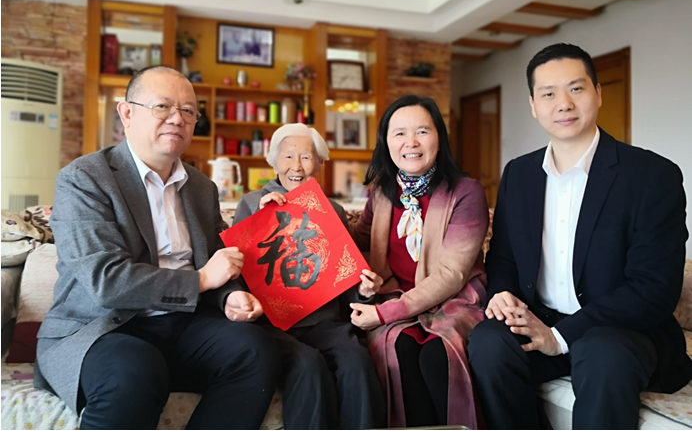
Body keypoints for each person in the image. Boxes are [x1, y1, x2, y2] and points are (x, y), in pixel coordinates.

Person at [34, 66, 281, 429]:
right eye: (162, 106)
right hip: (103, 328)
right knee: (133, 369)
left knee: (255, 350)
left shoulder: (202, 188)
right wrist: (201, 280)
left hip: (185, 323)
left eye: (188, 111)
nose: (177, 119)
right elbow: (107, 281)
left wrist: (229, 295)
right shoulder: (85, 179)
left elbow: (217, 260)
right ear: (127, 113)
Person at [468, 43, 692, 429]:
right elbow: (503, 257)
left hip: (622, 330)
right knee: (488, 343)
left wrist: (560, 336)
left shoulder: (652, 176)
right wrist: (501, 294)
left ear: (598, 93)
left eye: (576, 88)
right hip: (540, 318)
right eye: (548, 94)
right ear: (533, 105)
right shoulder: (519, 174)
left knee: (603, 355)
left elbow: (653, 289)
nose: (564, 104)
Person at [232, 123, 387, 430]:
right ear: (274, 163)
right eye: (288, 156)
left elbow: (346, 278)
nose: (297, 167)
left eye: (306, 157)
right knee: (308, 363)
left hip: (323, 322)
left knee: (356, 361)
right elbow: (236, 269)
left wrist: (365, 290)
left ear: (319, 164)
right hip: (273, 324)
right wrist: (262, 220)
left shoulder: (333, 210)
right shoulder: (251, 203)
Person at [349, 95, 490, 428]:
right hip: (396, 298)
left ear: (439, 138)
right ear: (386, 143)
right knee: (398, 349)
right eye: (399, 133)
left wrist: (384, 313)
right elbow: (357, 241)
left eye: (422, 131)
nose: (410, 142)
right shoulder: (381, 193)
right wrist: (304, 208)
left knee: (437, 355)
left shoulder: (466, 192)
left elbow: (452, 274)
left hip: (454, 302)